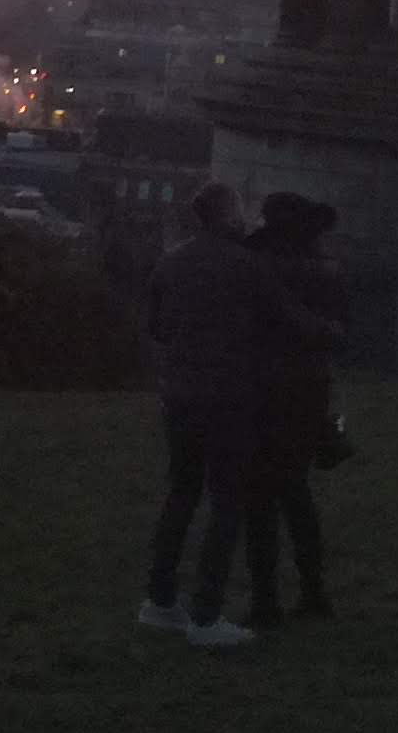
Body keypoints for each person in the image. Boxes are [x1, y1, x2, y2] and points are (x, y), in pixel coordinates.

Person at [136, 183, 340, 649]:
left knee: (181, 493)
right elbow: (289, 317)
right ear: (228, 216)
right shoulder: (245, 265)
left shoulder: (170, 262)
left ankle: (160, 599)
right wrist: (330, 332)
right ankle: (207, 615)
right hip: (227, 396)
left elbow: (157, 327)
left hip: (179, 394)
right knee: (228, 501)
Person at [239, 193, 345, 625]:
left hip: (264, 388)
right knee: (295, 490)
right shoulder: (324, 268)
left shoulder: (260, 266)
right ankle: (313, 591)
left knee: (259, 498)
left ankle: (266, 601)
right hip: (310, 388)